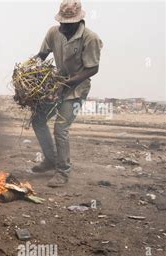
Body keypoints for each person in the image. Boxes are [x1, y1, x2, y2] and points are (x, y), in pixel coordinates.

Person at [32, 0, 103, 187]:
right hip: (56, 85)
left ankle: (62, 172)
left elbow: (92, 68)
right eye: (61, 23)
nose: (63, 27)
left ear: (78, 21)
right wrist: (29, 70)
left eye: (67, 24)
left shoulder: (90, 38)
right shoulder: (54, 32)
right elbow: (41, 55)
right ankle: (50, 160)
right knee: (38, 119)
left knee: (60, 128)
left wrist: (67, 83)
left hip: (76, 89)